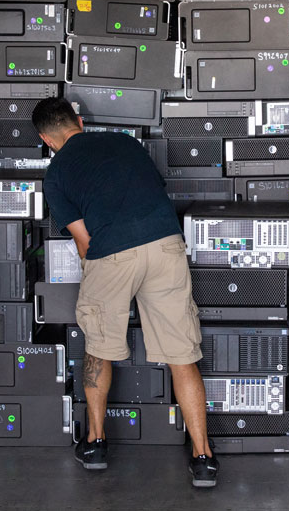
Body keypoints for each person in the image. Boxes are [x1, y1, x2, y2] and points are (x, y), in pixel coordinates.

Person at [31, 98, 219, 488]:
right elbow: (148, 193)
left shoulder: (57, 174)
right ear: (79, 121)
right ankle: (203, 457)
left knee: (100, 348)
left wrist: (100, 278)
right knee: (182, 355)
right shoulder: (125, 142)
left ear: (46, 140)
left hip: (112, 254)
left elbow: (85, 243)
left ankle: (96, 443)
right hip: (166, 243)